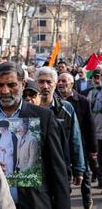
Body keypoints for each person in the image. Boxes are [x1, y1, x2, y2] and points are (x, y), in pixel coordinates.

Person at [0, 62, 70, 208]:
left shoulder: (44, 117)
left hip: (33, 203)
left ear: (23, 84)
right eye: (0, 85)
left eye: (11, 85)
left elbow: (57, 169)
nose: (5, 91)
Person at [35, 67, 85, 186]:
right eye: (41, 82)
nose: (45, 86)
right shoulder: (27, 109)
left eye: (49, 82)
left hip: (60, 168)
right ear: (35, 83)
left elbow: (75, 139)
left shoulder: (66, 108)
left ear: (55, 84)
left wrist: (79, 169)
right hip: (34, 172)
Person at [57, 72, 97, 208]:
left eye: (64, 81)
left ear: (72, 84)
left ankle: (87, 199)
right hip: (61, 145)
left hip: (81, 144)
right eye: (59, 81)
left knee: (84, 174)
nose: (61, 84)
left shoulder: (82, 101)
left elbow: (90, 125)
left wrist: (93, 149)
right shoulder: (54, 101)